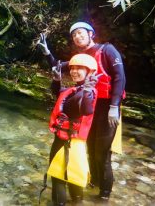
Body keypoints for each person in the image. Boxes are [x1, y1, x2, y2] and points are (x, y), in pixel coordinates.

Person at [37, 21, 126, 201]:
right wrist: (47, 53)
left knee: (102, 152)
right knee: (89, 149)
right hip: (89, 108)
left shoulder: (107, 50)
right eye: (74, 35)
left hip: (107, 106)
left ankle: (104, 196)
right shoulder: (81, 59)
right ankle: (93, 183)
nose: (77, 37)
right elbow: (58, 67)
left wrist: (114, 106)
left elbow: (119, 76)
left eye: (80, 33)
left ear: (91, 33)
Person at [46, 53, 98, 205]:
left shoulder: (87, 92)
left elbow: (86, 109)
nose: (74, 71)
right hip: (72, 141)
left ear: (90, 72)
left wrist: (88, 90)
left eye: (79, 68)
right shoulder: (77, 89)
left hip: (67, 141)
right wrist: (56, 80)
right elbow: (60, 94)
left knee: (58, 177)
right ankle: (77, 201)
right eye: (73, 68)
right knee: (74, 175)